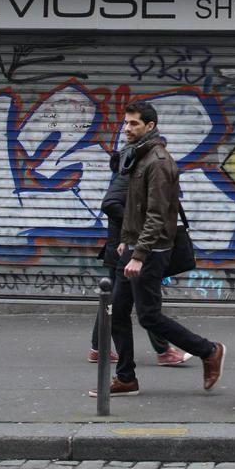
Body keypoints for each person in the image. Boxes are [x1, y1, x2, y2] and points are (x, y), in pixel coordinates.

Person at [92, 100, 224, 397]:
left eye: (134, 123)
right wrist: (126, 239)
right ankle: (126, 378)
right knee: (118, 312)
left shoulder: (159, 162)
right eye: (126, 122)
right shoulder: (138, 156)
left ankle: (209, 350)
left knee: (149, 316)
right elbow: (133, 208)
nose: (127, 128)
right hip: (135, 246)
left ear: (150, 126)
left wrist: (139, 254)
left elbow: (157, 214)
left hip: (152, 252)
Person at [89, 148, 189, 367]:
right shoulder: (126, 178)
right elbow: (109, 204)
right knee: (145, 302)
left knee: (115, 301)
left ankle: (98, 348)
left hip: (127, 247)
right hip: (126, 250)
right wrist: (133, 224)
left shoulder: (134, 176)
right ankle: (164, 351)